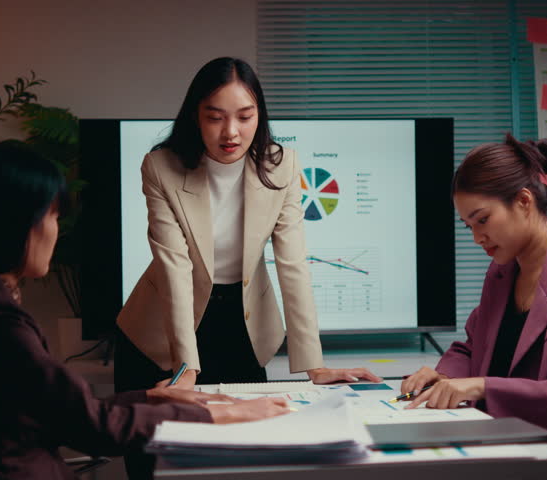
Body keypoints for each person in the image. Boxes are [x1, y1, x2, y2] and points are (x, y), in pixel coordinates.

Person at [0, 142, 290, 480]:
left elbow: (62, 412)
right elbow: (94, 428)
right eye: (52, 215)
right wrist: (216, 416)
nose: (56, 230)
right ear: (14, 224)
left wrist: (152, 398)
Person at [114, 57, 381, 392]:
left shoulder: (281, 165)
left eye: (245, 117)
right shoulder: (160, 167)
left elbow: (293, 263)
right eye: (215, 118)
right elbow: (174, 267)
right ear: (196, 116)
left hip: (243, 324)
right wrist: (186, 369)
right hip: (159, 335)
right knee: (155, 440)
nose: (231, 132)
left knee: (248, 438)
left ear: (260, 115)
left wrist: (315, 364)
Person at [399, 134, 547, 468]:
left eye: (482, 219)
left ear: (524, 202)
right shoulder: (503, 271)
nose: (476, 237)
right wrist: (443, 376)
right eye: (468, 225)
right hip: (513, 449)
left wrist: (482, 387)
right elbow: (475, 348)